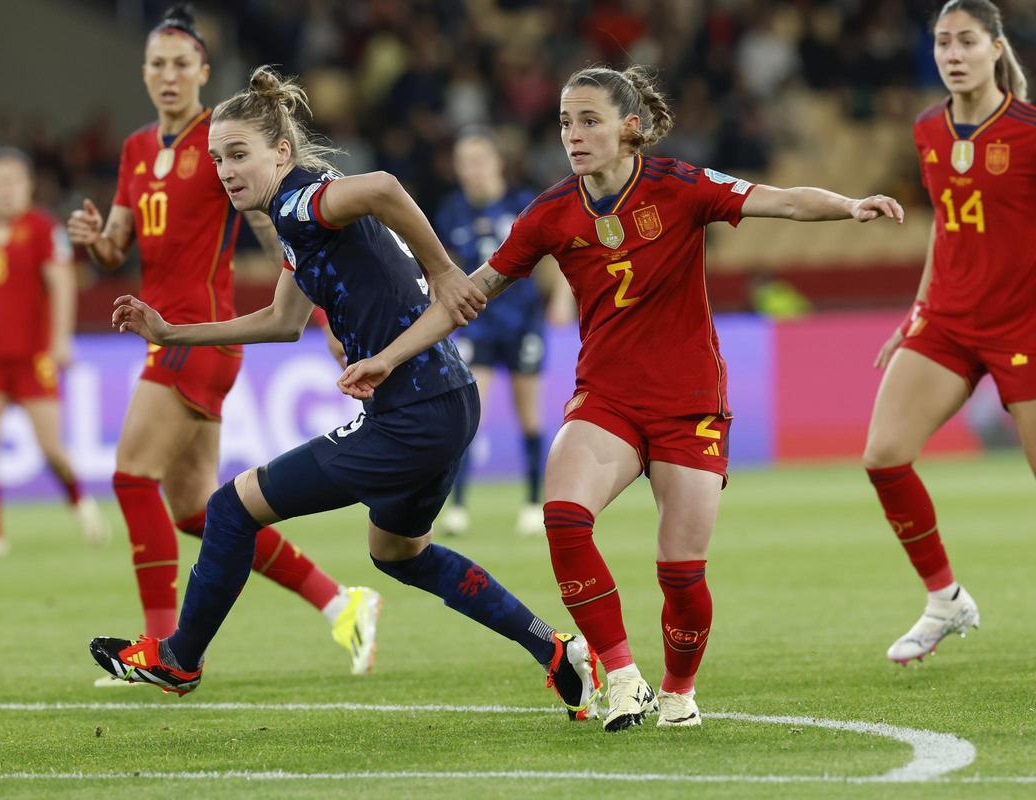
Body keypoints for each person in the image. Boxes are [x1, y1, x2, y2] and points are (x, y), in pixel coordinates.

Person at [340, 64, 904, 731]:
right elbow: (469, 294)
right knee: (563, 516)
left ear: (629, 128)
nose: (572, 136)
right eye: (564, 123)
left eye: (588, 121)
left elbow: (778, 199)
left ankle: (678, 691)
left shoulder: (679, 185)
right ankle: (622, 676)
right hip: (606, 398)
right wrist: (387, 357)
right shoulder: (550, 213)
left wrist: (849, 206)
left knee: (681, 575)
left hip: (690, 403)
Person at [87, 66, 603, 722]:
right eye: (217, 159)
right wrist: (170, 331)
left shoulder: (300, 203)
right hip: (444, 401)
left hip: (412, 411)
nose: (225, 171)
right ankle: (555, 649)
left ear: (280, 151)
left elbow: (383, 187)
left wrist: (445, 272)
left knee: (230, 508)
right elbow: (282, 322)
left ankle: (179, 658)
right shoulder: (296, 213)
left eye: (239, 155)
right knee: (399, 553)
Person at [65, 6, 379, 681]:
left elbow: (277, 230)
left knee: (130, 476)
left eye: (181, 63)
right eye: (157, 64)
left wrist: (323, 318)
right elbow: (119, 246)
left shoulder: (223, 142)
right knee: (194, 512)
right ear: (144, 73)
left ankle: (162, 649)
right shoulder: (136, 149)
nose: (168, 75)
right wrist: (96, 242)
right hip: (168, 334)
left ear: (203, 71)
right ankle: (340, 601)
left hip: (199, 333)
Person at [864, 0, 1033, 666]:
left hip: (1024, 323)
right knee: (884, 455)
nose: (953, 54)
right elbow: (944, 222)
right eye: (942, 42)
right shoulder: (928, 129)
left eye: (966, 41)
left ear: (996, 48)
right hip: (951, 320)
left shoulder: (1027, 131)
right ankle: (945, 599)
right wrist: (917, 311)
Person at [0, 147, 108, 561]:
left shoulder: (42, 228)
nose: (4, 191)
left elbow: (62, 284)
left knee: (51, 449)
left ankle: (81, 503)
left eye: (12, 182)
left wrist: (61, 340)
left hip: (32, 356)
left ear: (27, 186)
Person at [432, 129, 573, 537]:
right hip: (477, 324)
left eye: (478, 161)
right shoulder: (452, 211)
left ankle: (533, 502)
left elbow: (559, 254)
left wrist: (562, 298)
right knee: (468, 415)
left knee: (528, 415)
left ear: (497, 163)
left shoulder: (522, 203)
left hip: (523, 322)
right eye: (464, 163)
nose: (471, 170)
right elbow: (443, 269)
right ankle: (457, 508)